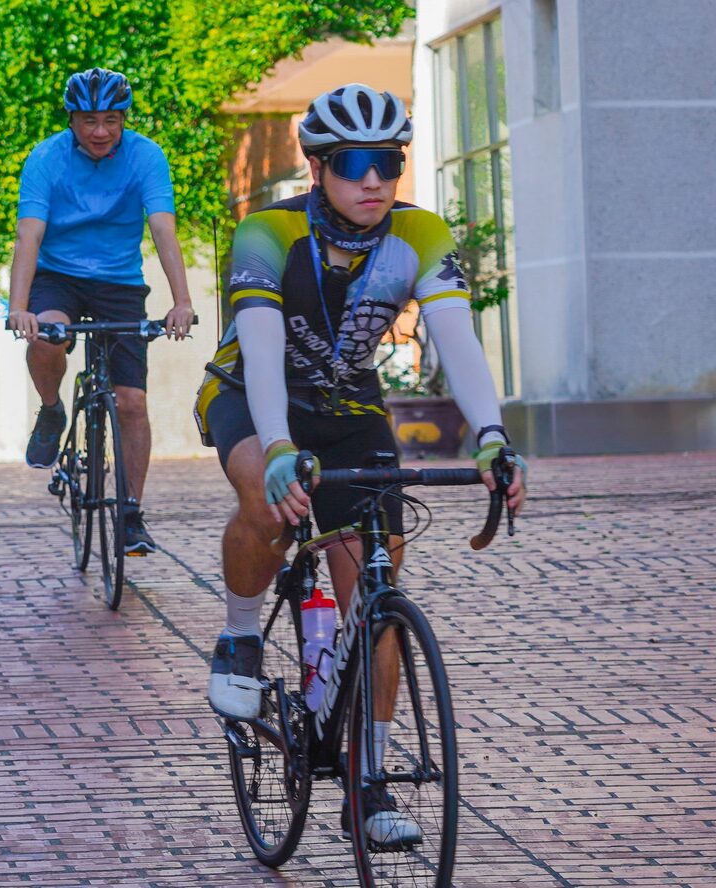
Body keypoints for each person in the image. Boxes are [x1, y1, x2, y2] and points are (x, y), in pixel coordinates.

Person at [193, 84, 527, 845]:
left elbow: (457, 337)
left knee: (375, 595)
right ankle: (241, 633)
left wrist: (492, 436)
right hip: (253, 393)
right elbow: (266, 349)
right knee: (264, 498)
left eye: (388, 161)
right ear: (318, 167)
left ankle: (367, 782)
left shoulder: (421, 234)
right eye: (353, 163)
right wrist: (276, 446)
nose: (373, 179)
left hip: (348, 409)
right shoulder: (266, 234)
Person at [5, 68, 195, 556]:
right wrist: (19, 307)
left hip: (119, 282)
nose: (100, 131)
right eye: (89, 119)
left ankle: (131, 513)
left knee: (131, 401)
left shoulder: (146, 156)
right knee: (48, 336)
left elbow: (163, 228)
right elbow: (29, 235)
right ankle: (51, 411)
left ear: (124, 119)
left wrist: (182, 301)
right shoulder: (45, 158)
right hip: (58, 277)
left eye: (112, 119)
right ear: (71, 119)